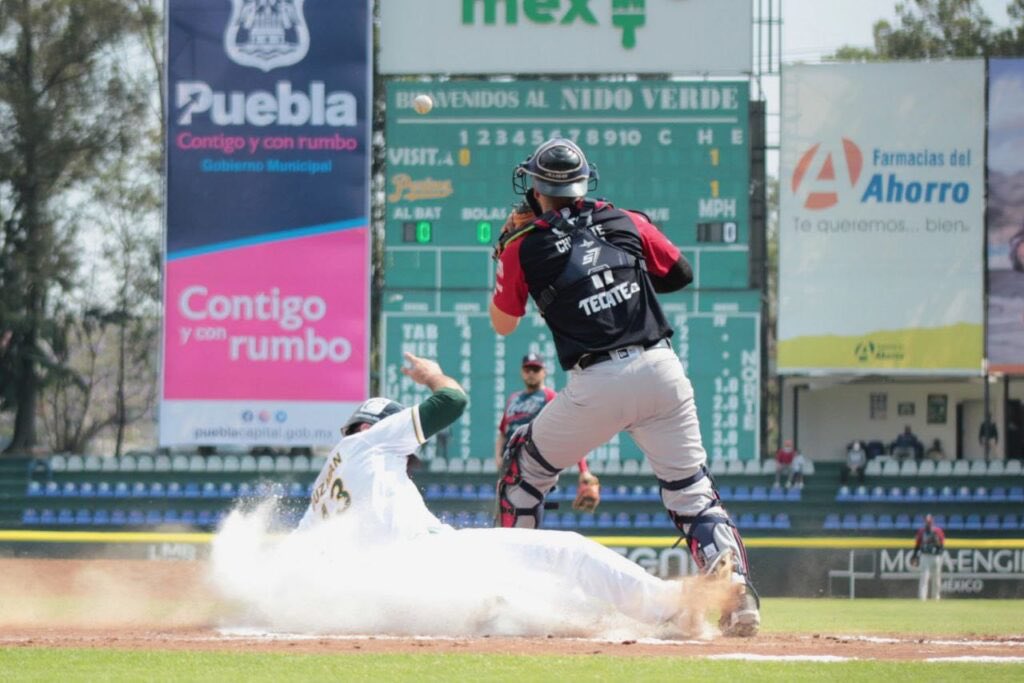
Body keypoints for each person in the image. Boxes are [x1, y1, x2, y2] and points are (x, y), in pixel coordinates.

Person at [488, 138, 759, 637]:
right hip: (661, 370)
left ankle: (514, 595)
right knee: (693, 495)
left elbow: (504, 324)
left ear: (537, 189)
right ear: (583, 183)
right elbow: (679, 272)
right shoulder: (624, 220)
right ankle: (738, 594)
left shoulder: (523, 245)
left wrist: (503, 254)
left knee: (523, 473)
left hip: (598, 382)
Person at [298, 352, 730, 635]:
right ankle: (670, 606)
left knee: (511, 602)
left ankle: (624, 619)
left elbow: (294, 561)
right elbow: (452, 400)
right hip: (426, 558)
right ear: (374, 423)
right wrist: (433, 376)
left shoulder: (324, 486)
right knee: (567, 552)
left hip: (388, 592)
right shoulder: (373, 439)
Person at [496, 352, 600, 512]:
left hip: (535, 466)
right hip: (511, 467)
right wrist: (498, 457)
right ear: (522, 372)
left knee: (527, 513)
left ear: (544, 371)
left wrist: (584, 470)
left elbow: (570, 433)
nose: (531, 373)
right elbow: (503, 432)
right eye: (528, 369)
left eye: (535, 369)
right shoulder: (513, 399)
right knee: (506, 513)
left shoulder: (551, 397)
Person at [910, 514, 945, 601]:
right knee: (924, 578)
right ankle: (922, 598)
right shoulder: (921, 531)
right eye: (927, 521)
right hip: (925, 556)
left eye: (929, 521)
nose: (928, 522)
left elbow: (942, 544)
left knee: (936, 578)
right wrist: (914, 556)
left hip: (935, 556)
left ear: (932, 521)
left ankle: (936, 598)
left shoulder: (938, 531)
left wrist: (939, 550)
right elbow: (917, 545)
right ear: (925, 521)